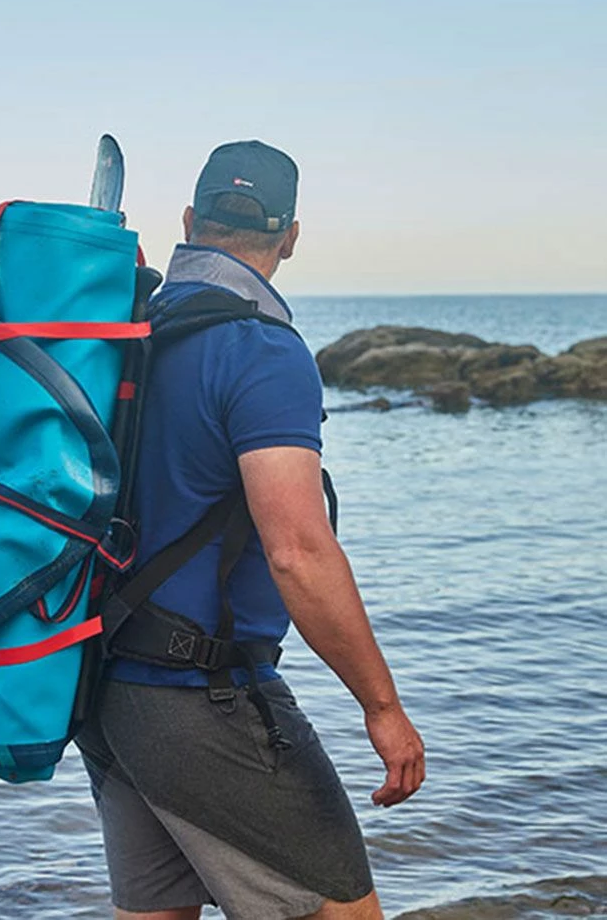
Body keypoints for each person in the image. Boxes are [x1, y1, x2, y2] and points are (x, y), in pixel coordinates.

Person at [77, 140, 425, 920]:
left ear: (190, 221)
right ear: (291, 236)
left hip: (106, 690)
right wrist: (382, 706)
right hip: (204, 697)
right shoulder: (263, 353)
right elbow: (298, 551)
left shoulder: (122, 337)